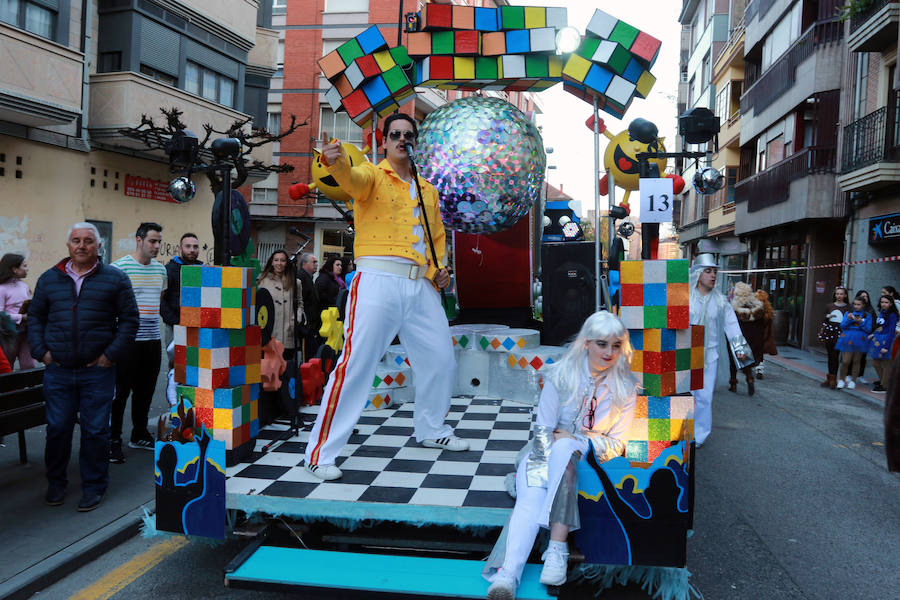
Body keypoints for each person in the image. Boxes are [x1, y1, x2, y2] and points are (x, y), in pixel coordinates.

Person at [304, 113, 464, 481]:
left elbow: (436, 238)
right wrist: (336, 159)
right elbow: (350, 179)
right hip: (378, 279)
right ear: (384, 141)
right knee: (357, 365)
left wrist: (441, 271)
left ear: (415, 141)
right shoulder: (373, 175)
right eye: (395, 134)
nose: (402, 140)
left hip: (421, 285)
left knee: (441, 359)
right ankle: (320, 453)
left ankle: (431, 429)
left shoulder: (428, 190)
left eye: (408, 135)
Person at [482, 311, 638, 599]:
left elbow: (618, 444)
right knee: (532, 496)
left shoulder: (626, 388)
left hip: (592, 463)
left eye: (616, 346)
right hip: (545, 451)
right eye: (602, 344)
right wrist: (544, 466)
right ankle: (513, 574)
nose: (609, 352)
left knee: (566, 447)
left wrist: (579, 440)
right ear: (587, 343)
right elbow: (543, 430)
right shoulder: (560, 375)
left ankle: (541, 555)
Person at [27, 222, 138, 511]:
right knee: (58, 428)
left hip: (97, 372)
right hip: (59, 370)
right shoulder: (49, 279)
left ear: (98, 246)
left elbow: (129, 321)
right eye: (76, 240)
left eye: (88, 241)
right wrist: (42, 353)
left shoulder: (115, 279)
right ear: (68, 245)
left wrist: (109, 356)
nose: (81, 245)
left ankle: (94, 486)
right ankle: (56, 483)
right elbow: (36, 318)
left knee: (95, 431)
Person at [109, 222, 167, 463]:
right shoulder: (118, 269)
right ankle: (112, 440)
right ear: (139, 240)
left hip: (152, 340)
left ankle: (139, 433)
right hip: (126, 341)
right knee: (120, 393)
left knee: (145, 391)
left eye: (159, 242)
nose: (156, 246)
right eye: (152, 241)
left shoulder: (160, 270)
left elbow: (159, 300)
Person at [689, 253, 748, 446]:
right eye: (708, 271)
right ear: (698, 274)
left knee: (704, 397)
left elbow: (732, 326)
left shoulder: (722, 301)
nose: (713, 275)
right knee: (684, 396)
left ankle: (699, 436)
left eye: (714, 271)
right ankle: (681, 434)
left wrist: (740, 349)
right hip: (685, 355)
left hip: (710, 355)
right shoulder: (683, 298)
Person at [257, 249, 305, 359]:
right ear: (272, 262)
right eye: (276, 260)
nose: (279, 263)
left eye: (282, 260)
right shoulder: (262, 281)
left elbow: (300, 304)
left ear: (287, 263)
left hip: (288, 331)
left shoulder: (295, 282)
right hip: (268, 332)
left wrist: (296, 318)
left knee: (285, 368)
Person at [160, 233, 202, 346]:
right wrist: (174, 321)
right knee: (176, 362)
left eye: (195, 246)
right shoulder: (169, 270)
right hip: (175, 327)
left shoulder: (203, 270)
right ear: (180, 248)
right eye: (188, 246)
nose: (192, 250)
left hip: (197, 326)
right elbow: (160, 300)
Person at [0, 253, 35, 369]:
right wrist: (21, 317)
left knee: (29, 365)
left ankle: (31, 388)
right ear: (14, 269)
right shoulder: (2, 289)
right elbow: (1, 314)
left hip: (26, 331)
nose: (27, 269)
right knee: (7, 366)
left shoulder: (23, 286)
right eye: (24, 266)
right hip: (9, 334)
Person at [729, 282, 763, 395]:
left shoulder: (734, 309)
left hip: (738, 337)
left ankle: (733, 383)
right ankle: (749, 378)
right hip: (753, 338)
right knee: (746, 359)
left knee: (733, 360)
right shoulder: (758, 308)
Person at [836, 297, 873, 390]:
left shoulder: (867, 315)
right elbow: (842, 325)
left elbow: (868, 329)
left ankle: (853, 381)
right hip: (848, 338)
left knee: (857, 361)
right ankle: (841, 379)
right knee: (845, 361)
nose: (856, 306)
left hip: (860, 339)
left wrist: (860, 322)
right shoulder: (848, 314)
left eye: (858, 304)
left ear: (863, 305)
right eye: (855, 304)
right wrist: (849, 319)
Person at [820, 286, 850, 389]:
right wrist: (827, 317)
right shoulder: (829, 306)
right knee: (830, 355)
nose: (839, 296)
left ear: (845, 295)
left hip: (841, 332)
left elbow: (849, 321)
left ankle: (834, 379)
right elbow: (824, 319)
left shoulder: (848, 307)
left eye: (841, 294)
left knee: (835, 356)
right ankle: (829, 377)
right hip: (830, 331)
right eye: (837, 294)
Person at [869, 295, 898, 393]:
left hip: (887, 341)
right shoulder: (882, 312)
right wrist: (874, 334)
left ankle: (884, 386)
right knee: (875, 362)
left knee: (886, 364)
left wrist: (886, 346)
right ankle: (884, 382)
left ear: (890, 303)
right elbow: (879, 327)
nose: (884, 304)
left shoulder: (892, 315)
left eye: (886, 302)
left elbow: (891, 331)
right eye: (882, 302)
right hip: (878, 340)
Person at [754, 288, 777, 380]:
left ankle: (750, 367)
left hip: (755, 334)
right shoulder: (768, 310)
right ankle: (760, 368)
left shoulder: (756, 310)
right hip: (764, 335)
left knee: (753, 351)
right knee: (760, 353)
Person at [855, 290, 876, 384]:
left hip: (865, 336)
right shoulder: (853, 310)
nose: (864, 298)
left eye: (866, 296)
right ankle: (849, 375)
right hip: (854, 335)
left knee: (862, 357)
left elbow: (873, 325)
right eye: (862, 296)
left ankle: (860, 375)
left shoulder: (871, 311)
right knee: (852, 355)